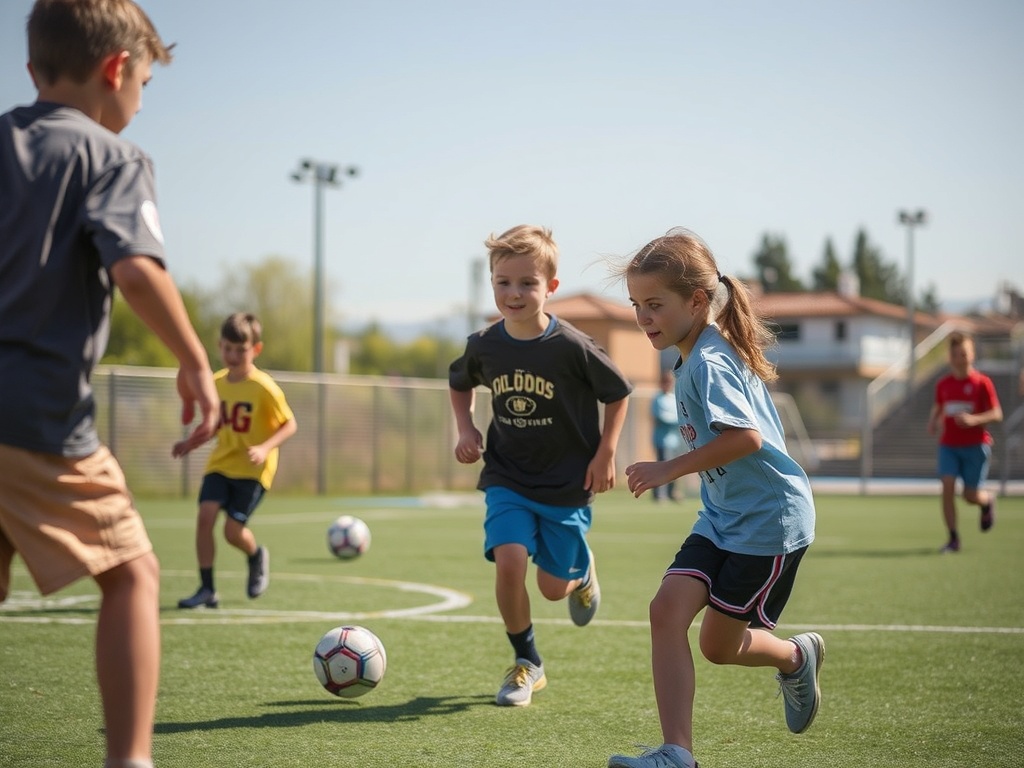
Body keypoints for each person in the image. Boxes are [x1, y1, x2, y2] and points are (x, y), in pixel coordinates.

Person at [0, 2, 219, 766]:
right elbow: (134, 268)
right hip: (35, 415)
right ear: (118, 69)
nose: (139, 101)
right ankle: (130, 760)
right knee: (133, 575)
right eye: (146, 84)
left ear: (33, 71)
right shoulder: (112, 157)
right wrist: (195, 360)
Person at [607, 228, 822, 768]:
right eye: (636, 305)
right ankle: (677, 754)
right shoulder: (691, 356)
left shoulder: (708, 361)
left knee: (718, 647)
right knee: (665, 612)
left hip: (767, 523)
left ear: (697, 301)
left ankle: (797, 657)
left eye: (654, 304)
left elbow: (744, 437)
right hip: (722, 517)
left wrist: (667, 470)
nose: (643, 317)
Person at [449, 224, 632, 707]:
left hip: (567, 485)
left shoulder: (571, 346)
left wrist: (606, 453)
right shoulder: (484, 345)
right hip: (507, 477)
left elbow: (618, 395)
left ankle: (582, 571)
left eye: (527, 283)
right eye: (503, 282)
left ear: (550, 287)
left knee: (553, 589)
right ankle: (527, 662)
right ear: (491, 282)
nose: (514, 293)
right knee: (508, 561)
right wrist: (465, 428)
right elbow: (459, 382)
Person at [176, 312, 297, 609]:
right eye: (227, 348)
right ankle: (207, 589)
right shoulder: (215, 384)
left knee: (232, 531)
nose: (232, 355)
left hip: (253, 470)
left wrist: (266, 448)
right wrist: (191, 443)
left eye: (240, 350)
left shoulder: (264, 387)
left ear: (255, 349)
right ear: (220, 346)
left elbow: (289, 424)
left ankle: (255, 555)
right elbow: (213, 426)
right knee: (205, 517)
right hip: (222, 462)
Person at [926, 331, 1002, 553]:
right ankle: (953, 538)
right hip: (948, 445)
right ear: (950, 357)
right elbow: (939, 406)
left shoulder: (982, 383)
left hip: (976, 446)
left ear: (972, 355)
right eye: (956, 354)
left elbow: (997, 413)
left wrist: (974, 420)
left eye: (965, 354)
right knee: (947, 487)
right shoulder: (943, 384)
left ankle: (987, 501)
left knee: (970, 496)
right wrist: (933, 421)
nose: (961, 358)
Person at [651, 369, 683, 502]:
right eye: (665, 382)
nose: (668, 384)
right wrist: (679, 420)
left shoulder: (674, 397)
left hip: (675, 440)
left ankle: (672, 492)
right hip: (662, 440)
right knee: (662, 466)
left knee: (675, 467)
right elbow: (662, 417)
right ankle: (659, 494)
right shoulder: (658, 399)